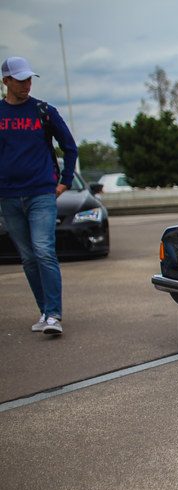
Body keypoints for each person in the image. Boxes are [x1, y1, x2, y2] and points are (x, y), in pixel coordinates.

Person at [1, 56, 77, 336]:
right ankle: (44, 310)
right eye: (20, 80)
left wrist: (64, 181)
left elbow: (69, 147)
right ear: (6, 81)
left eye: (29, 79)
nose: (26, 84)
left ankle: (54, 315)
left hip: (41, 193)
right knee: (28, 257)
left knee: (44, 251)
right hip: (8, 196)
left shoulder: (44, 111)